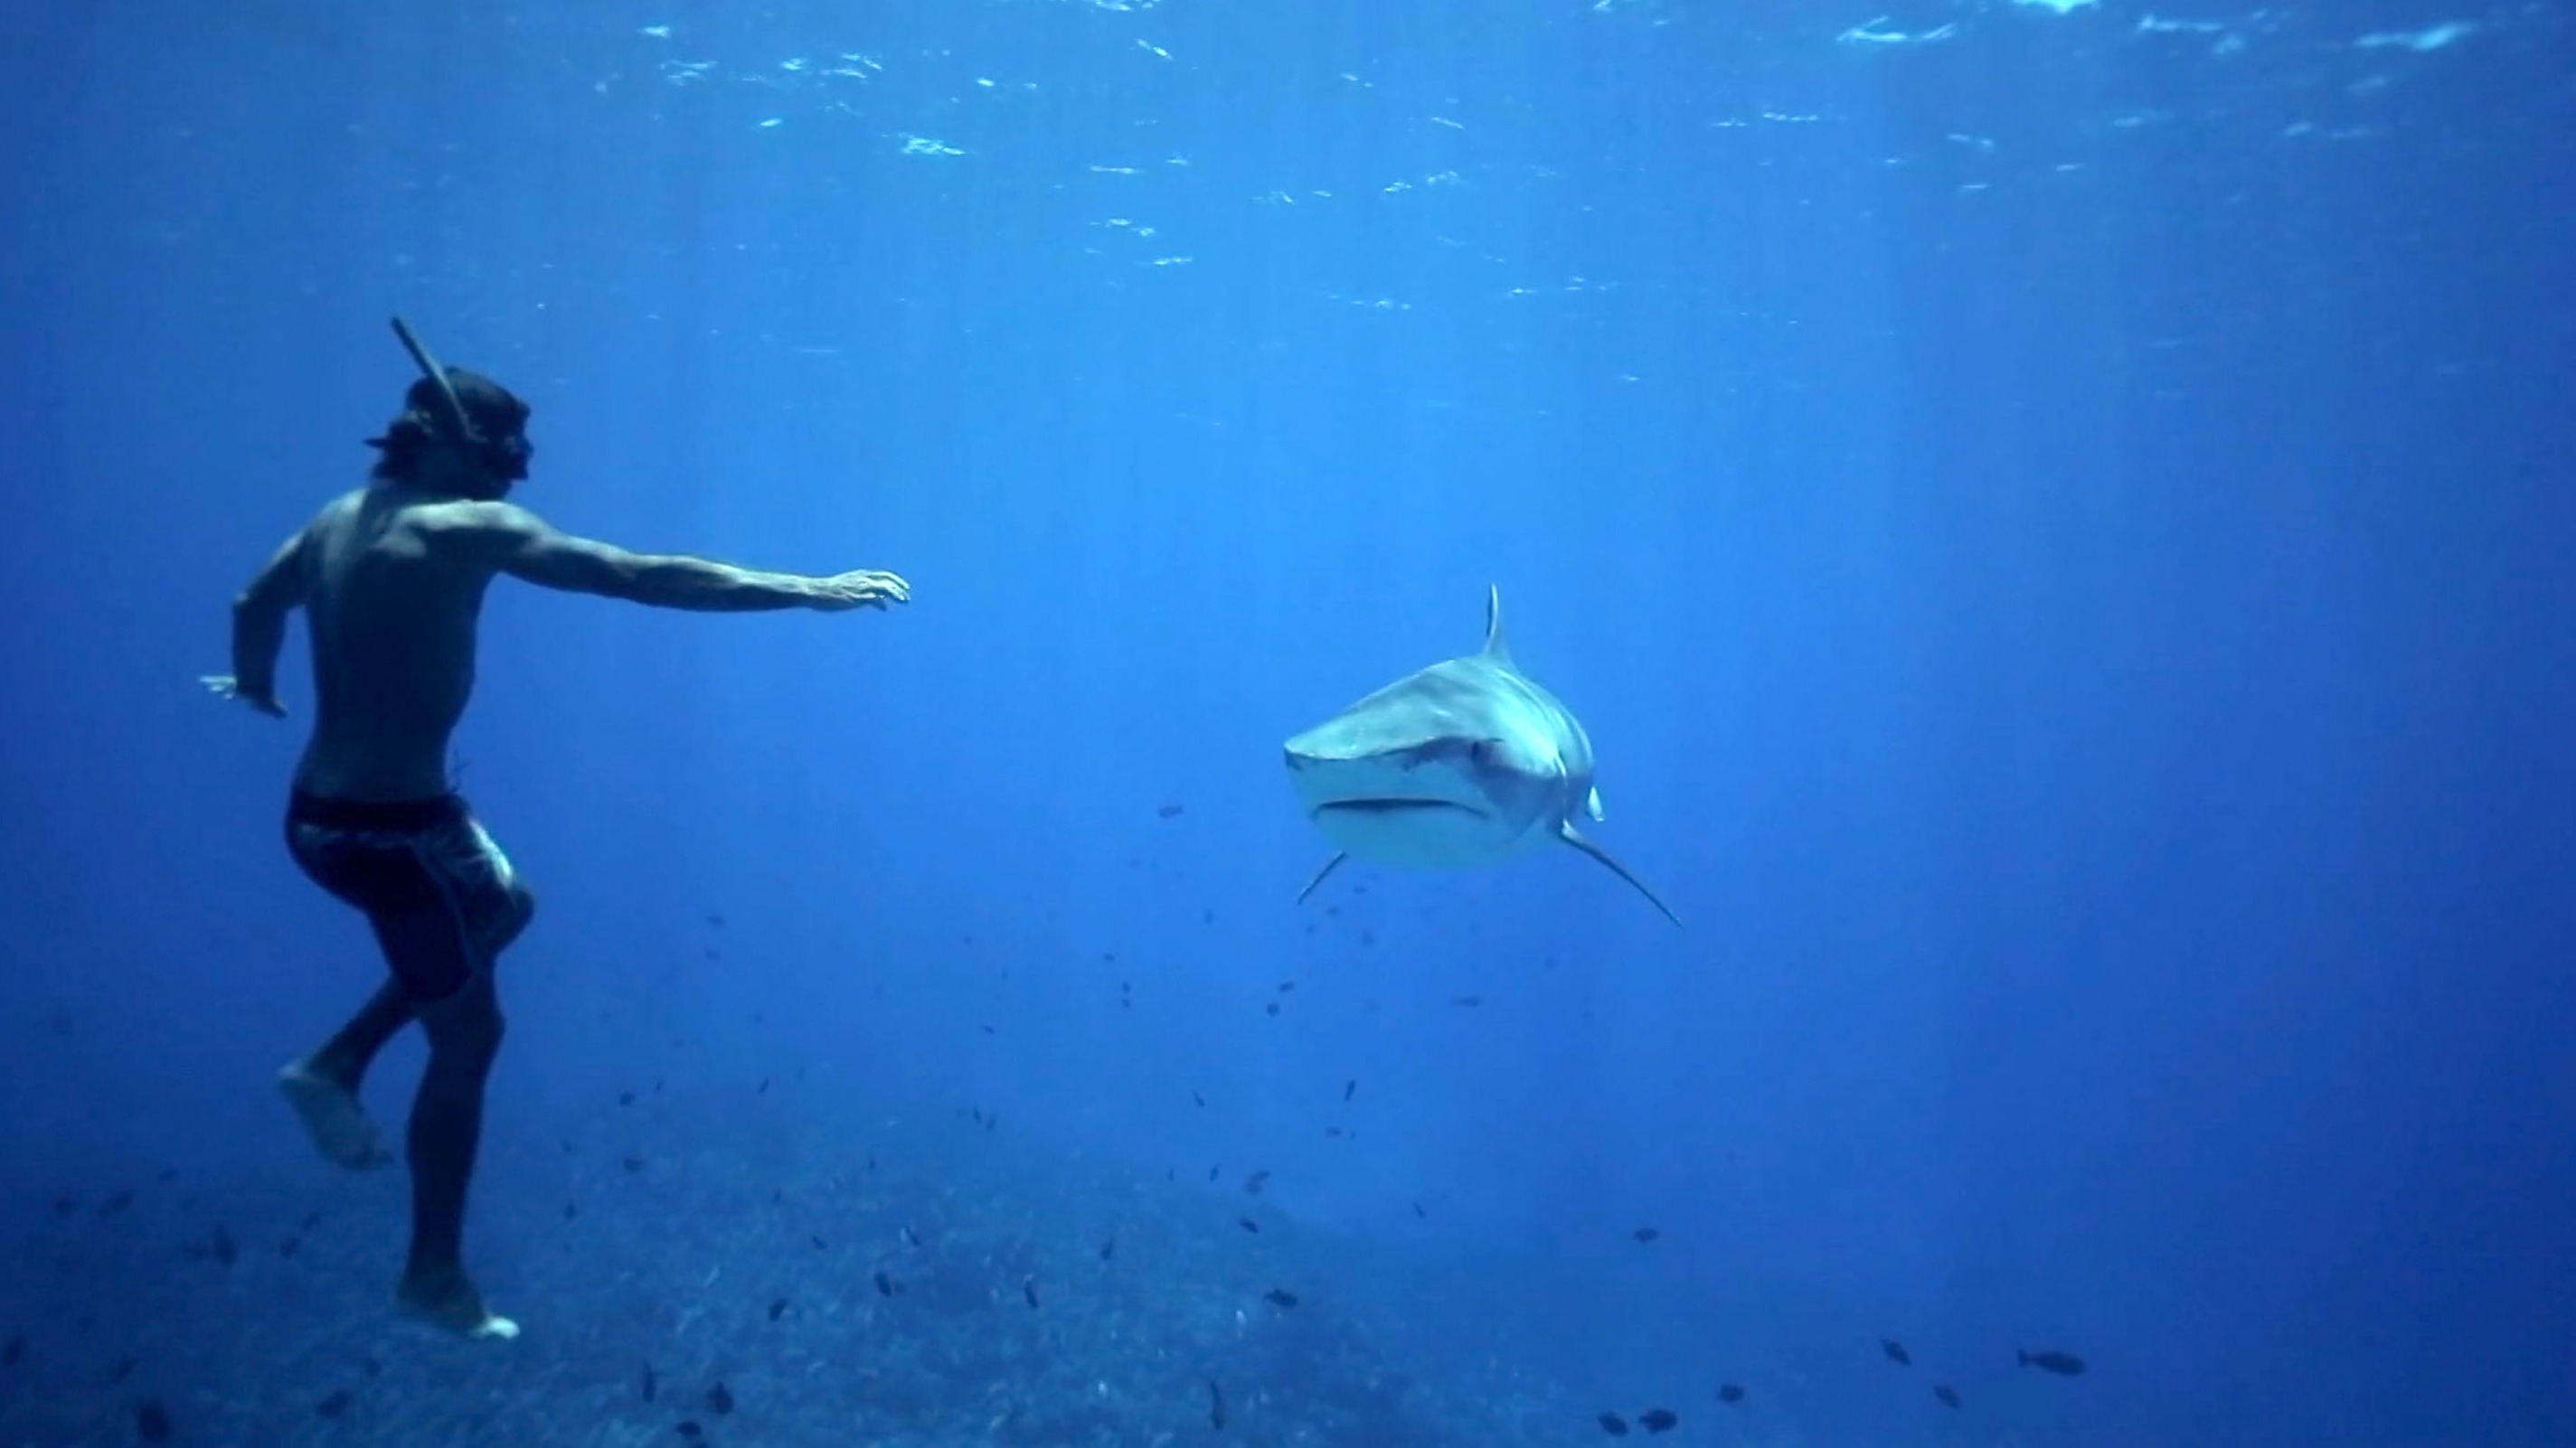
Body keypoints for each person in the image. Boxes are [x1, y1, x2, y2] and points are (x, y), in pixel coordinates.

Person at [203, 344, 909, 1339]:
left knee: (508, 905)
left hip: (334, 817)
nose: (518, 466)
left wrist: (257, 685)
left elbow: (253, 605)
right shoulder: (470, 527)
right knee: (471, 1035)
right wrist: (804, 587)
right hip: (390, 840)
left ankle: (335, 1065)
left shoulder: (335, 520)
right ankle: (430, 1272)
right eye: (509, 447)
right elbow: (636, 575)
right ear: (459, 443)